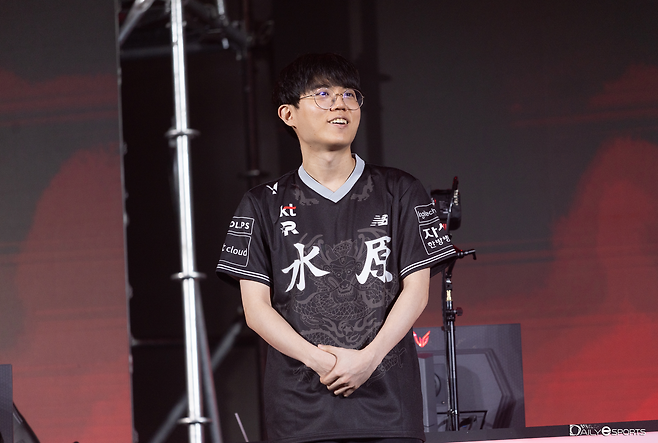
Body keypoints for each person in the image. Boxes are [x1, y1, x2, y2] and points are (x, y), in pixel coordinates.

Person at [216, 53, 456, 443]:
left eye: (349, 94)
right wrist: (321, 361)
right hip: (300, 412)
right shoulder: (262, 203)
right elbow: (256, 311)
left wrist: (368, 359)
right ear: (288, 114)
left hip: (389, 407)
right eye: (323, 94)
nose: (340, 104)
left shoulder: (400, 190)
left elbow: (416, 290)